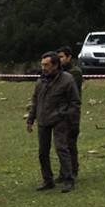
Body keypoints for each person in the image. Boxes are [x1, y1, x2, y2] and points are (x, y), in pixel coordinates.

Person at [26, 51, 81, 193]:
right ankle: (48, 180)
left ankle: (68, 179)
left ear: (55, 65)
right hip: (43, 120)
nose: (44, 68)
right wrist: (31, 119)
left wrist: (66, 115)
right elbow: (35, 101)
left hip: (60, 120)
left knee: (61, 149)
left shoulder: (67, 80)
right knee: (42, 152)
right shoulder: (40, 81)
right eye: (42, 65)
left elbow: (75, 102)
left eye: (47, 65)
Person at [57, 46, 83, 181]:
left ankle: (73, 170)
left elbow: (70, 93)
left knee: (70, 142)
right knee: (61, 144)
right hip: (60, 113)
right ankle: (64, 172)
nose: (60, 60)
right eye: (58, 57)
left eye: (62, 57)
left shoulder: (75, 73)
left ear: (69, 57)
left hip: (72, 113)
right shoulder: (59, 73)